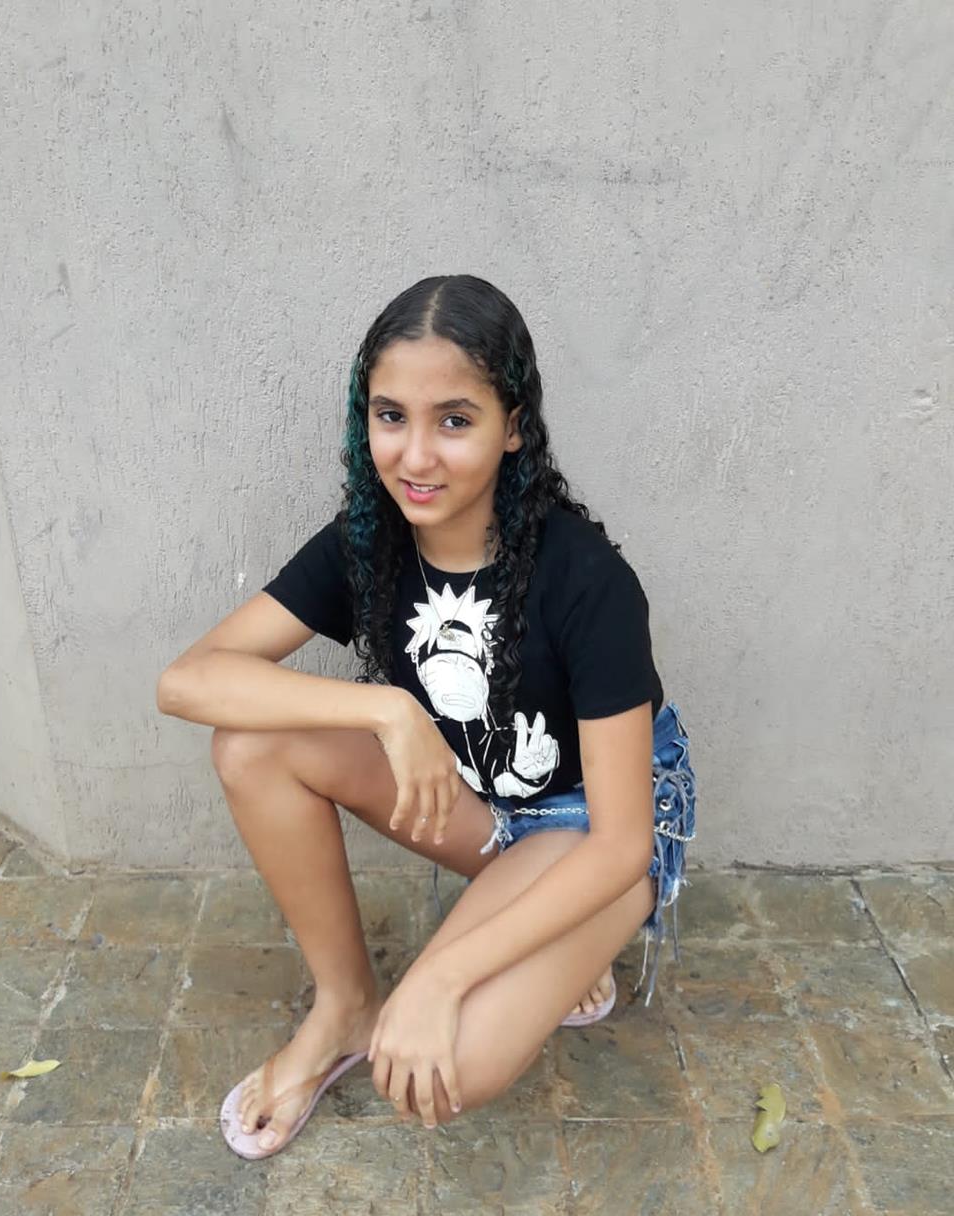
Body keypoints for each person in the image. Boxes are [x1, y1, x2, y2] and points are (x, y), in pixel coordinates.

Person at [156, 274, 696, 1160]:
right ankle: (346, 1007)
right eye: (390, 416)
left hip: (595, 823)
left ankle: (575, 933)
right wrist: (387, 709)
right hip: (483, 806)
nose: (415, 456)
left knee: (441, 1073)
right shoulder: (368, 543)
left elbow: (621, 842)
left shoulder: (586, 578)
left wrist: (440, 975)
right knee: (251, 744)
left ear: (512, 425)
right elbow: (187, 681)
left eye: (454, 420)